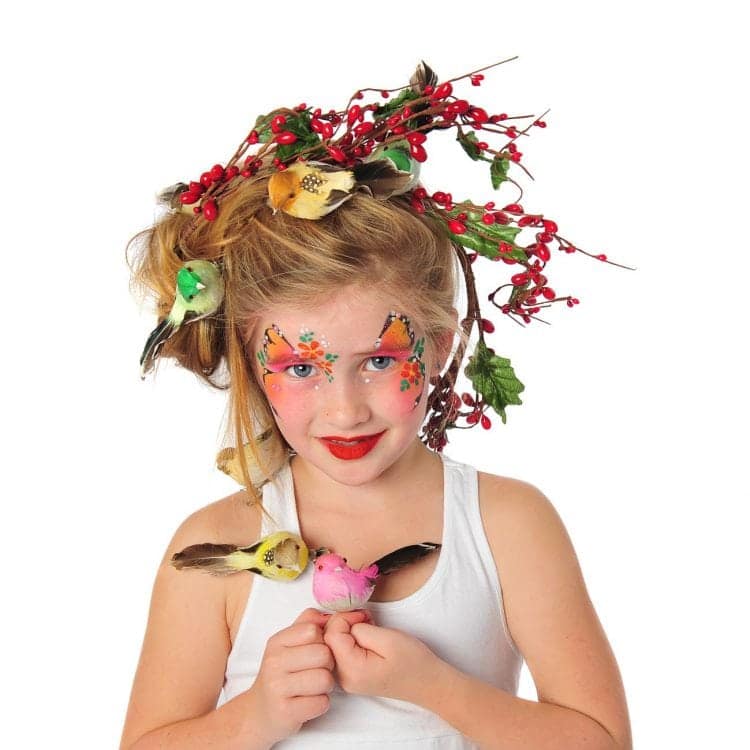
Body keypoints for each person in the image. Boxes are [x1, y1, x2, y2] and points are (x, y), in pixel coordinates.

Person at [120, 61, 632, 749]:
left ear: (441, 346)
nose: (345, 410)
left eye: (381, 361)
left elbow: (602, 742)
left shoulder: (506, 525)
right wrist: (255, 716)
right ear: (251, 367)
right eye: (301, 367)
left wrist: (436, 687)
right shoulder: (214, 546)